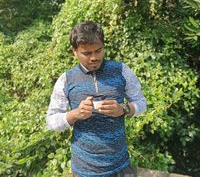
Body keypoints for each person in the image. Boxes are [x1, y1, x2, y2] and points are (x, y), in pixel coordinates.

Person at [46, 21, 147, 177]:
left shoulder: (121, 70)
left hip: (120, 165)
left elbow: (141, 103)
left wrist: (124, 109)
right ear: (74, 51)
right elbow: (51, 121)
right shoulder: (66, 79)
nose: (94, 57)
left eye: (98, 51)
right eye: (87, 53)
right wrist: (76, 114)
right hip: (84, 169)